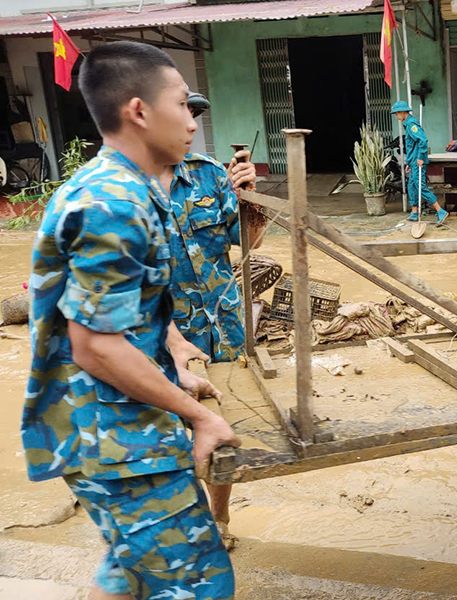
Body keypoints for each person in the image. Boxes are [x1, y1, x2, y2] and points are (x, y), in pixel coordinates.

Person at [21, 41, 239, 599]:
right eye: (182, 105)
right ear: (138, 111)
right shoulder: (113, 203)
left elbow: (124, 308)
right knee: (196, 584)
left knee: (128, 573)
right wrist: (200, 417)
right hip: (120, 440)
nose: (193, 120)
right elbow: (96, 344)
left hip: (111, 426)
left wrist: (173, 358)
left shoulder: (127, 189)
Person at [156, 91, 265, 551]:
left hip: (222, 330)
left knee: (222, 435)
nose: (192, 125)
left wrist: (249, 198)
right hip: (158, 344)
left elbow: (249, 243)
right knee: (161, 442)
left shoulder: (205, 176)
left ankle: (218, 518)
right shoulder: (120, 193)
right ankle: (174, 524)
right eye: (182, 113)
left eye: (195, 114)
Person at [391, 100, 448, 226]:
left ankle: (440, 211)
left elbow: (422, 141)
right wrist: (408, 163)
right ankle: (414, 212)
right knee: (411, 186)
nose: (396, 116)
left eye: (396, 114)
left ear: (402, 112)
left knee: (420, 187)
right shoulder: (408, 124)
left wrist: (421, 158)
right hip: (413, 162)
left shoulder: (412, 125)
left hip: (418, 162)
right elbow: (412, 147)